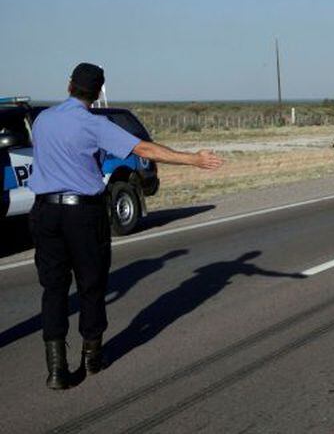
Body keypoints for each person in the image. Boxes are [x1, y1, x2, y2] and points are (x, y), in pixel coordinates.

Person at [28, 63, 223, 390]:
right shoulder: (93, 124)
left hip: (44, 212)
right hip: (82, 213)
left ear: (68, 86)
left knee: (53, 288)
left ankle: (57, 368)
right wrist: (194, 159)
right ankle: (92, 355)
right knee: (90, 284)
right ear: (98, 91)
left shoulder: (43, 120)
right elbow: (144, 149)